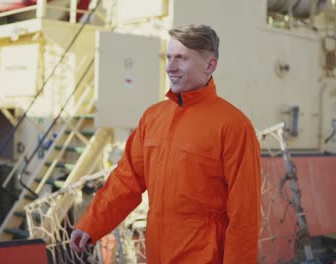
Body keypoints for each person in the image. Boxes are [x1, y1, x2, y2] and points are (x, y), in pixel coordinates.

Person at [70, 24, 261, 263]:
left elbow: (245, 214)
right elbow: (126, 181)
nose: (170, 67)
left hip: (205, 256)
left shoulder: (234, 126)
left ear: (210, 65)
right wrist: (91, 224)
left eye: (182, 58)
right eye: (169, 57)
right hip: (158, 253)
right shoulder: (153, 117)